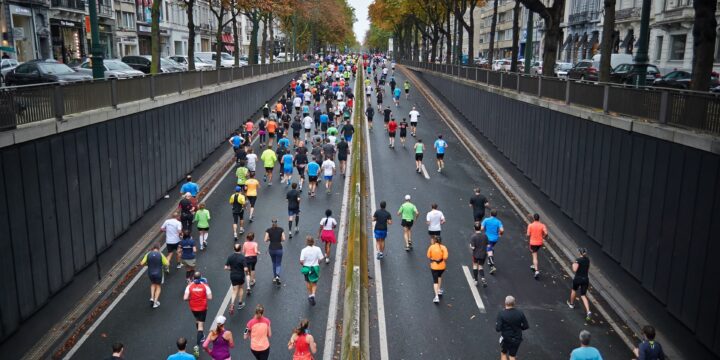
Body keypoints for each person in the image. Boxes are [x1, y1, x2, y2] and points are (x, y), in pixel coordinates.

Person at [184, 271, 212, 348]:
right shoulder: (205, 286)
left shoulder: (189, 286)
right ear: (201, 277)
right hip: (203, 307)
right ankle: (197, 344)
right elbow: (210, 297)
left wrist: (191, 298)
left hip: (193, 307)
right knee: (201, 326)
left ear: (193, 278)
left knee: (197, 320)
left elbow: (185, 298)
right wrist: (203, 296)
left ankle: (201, 335)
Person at [496, 295, 529, 360]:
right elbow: (526, 326)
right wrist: (519, 328)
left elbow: (498, 329)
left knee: (503, 353)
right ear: (514, 303)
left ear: (505, 303)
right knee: (512, 356)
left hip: (506, 338)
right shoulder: (520, 313)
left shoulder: (501, 314)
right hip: (517, 338)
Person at [567, 247, 592, 321]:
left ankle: (571, 304)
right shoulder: (588, 260)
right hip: (585, 279)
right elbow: (587, 268)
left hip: (578, 279)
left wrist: (573, 264)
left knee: (574, 290)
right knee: (583, 295)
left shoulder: (578, 260)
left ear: (579, 253)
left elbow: (574, 269)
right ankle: (588, 311)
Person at [141, 244, 168, 308]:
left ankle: (152, 298)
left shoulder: (148, 254)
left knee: (153, 284)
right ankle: (155, 302)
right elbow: (167, 263)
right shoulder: (160, 254)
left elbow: (142, 263)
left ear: (153, 248)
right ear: (159, 248)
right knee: (158, 286)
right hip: (158, 273)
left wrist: (148, 264)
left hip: (150, 273)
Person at [300, 236, 324, 305]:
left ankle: (310, 294)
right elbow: (321, 258)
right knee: (314, 283)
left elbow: (301, 261)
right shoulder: (318, 249)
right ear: (313, 242)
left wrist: (304, 265)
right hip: (315, 268)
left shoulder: (304, 250)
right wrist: (317, 263)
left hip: (307, 268)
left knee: (307, 281)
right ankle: (313, 294)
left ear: (306, 242)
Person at [225, 243, 247, 315]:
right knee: (240, 288)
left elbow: (226, 267)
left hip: (233, 275)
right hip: (240, 275)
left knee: (234, 290)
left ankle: (232, 304)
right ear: (240, 249)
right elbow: (246, 269)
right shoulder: (242, 257)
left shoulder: (230, 257)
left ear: (234, 249)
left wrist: (231, 268)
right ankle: (240, 303)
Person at [481, 209, 504, 274]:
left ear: (490, 214)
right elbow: (502, 230)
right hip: (495, 239)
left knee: (489, 250)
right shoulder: (498, 222)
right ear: (496, 215)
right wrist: (500, 234)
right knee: (491, 248)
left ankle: (492, 265)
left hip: (488, 238)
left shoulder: (486, 220)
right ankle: (489, 259)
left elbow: (482, 228)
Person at [427, 235, 448, 303]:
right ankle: (439, 290)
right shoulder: (443, 247)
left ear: (435, 240)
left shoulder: (431, 247)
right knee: (439, 276)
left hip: (434, 266)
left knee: (435, 281)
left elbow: (428, 255)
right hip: (442, 266)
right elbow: (445, 257)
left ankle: (436, 297)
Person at [264, 219, 286, 284]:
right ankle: (277, 276)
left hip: (271, 249)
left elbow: (265, 239)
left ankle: (274, 277)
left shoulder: (268, 230)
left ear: (272, 223)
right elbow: (284, 239)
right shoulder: (281, 229)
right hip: (279, 248)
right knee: (278, 263)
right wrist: (279, 238)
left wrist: (270, 238)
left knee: (274, 262)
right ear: (277, 222)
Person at [527, 213, 548, 280]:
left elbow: (528, 234)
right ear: (539, 218)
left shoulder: (530, 225)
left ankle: (536, 271)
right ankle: (534, 265)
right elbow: (546, 233)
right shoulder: (542, 225)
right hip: (540, 243)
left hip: (533, 243)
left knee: (534, 256)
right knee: (535, 253)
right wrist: (544, 237)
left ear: (534, 218)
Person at [469, 223, 489, 287]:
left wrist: (470, 246)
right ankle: (483, 278)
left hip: (476, 254)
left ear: (474, 228)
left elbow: (473, 247)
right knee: (480, 266)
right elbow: (488, 245)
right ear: (480, 228)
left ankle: (476, 280)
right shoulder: (485, 236)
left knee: (475, 265)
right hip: (483, 254)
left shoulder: (473, 237)